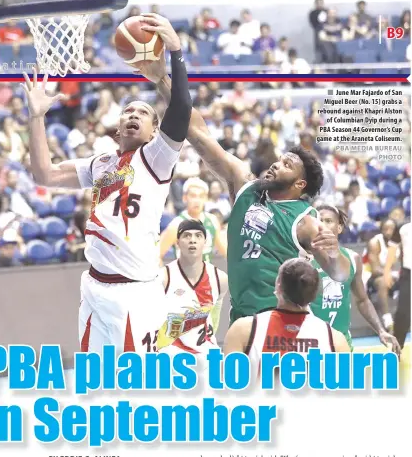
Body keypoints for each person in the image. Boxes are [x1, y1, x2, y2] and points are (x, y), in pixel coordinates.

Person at [130, 41, 351, 325]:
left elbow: (340, 273)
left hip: (282, 322)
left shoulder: (306, 220)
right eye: (279, 159)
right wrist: (162, 79)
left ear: (300, 184)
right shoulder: (247, 186)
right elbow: (197, 132)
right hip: (242, 319)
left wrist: (334, 253)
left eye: (287, 165)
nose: (275, 164)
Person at [21, 14, 192, 355]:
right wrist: (37, 117)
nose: (132, 115)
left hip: (136, 292)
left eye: (141, 114)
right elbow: (44, 174)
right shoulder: (100, 163)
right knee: (94, 380)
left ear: (154, 131)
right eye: (127, 111)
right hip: (95, 285)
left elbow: (182, 108)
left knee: (141, 382)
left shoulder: (157, 158)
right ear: (116, 127)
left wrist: (176, 53)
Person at [310, 205, 400, 354]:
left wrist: (381, 330)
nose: (323, 225)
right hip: (310, 343)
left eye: (328, 221)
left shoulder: (353, 258)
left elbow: (362, 300)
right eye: (319, 220)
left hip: (342, 344)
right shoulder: (302, 258)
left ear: (339, 228)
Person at [223, 258, 350, 361]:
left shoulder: (244, 330)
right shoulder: (335, 339)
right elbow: (346, 389)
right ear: (314, 293)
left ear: (278, 286)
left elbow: (228, 386)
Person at [155, 219, 228, 359]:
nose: (192, 240)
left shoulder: (220, 279)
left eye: (198, 236)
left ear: (205, 242)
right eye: (187, 235)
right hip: (170, 357)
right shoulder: (164, 277)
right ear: (177, 243)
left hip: (206, 356)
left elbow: (214, 320)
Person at [159, 177, 227, 262]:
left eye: (201, 196)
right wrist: (166, 274)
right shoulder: (176, 224)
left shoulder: (212, 221)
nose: (197, 200)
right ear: (185, 198)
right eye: (193, 196)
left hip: (207, 274)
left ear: (206, 198)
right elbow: (157, 255)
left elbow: (226, 252)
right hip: (183, 274)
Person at [362, 218, 399, 331]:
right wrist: (395, 274)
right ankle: (388, 321)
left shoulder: (399, 242)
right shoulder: (374, 243)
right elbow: (375, 270)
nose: (388, 232)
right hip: (369, 276)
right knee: (383, 281)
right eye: (385, 229)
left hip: (390, 274)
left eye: (391, 229)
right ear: (381, 230)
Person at [384, 222, 411, 351]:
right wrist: (387, 271)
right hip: (408, 274)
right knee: (403, 314)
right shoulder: (403, 227)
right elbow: (392, 249)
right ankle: (397, 348)